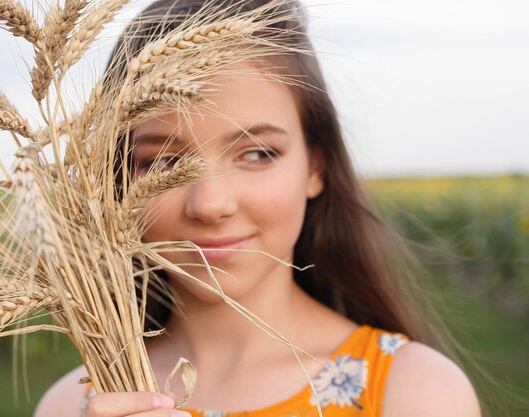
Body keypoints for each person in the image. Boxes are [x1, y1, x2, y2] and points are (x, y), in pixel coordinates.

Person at [35, 1, 482, 416]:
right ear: (118, 182)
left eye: (256, 154)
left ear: (315, 166)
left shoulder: (415, 392)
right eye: (162, 162)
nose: (211, 205)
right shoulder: (75, 403)